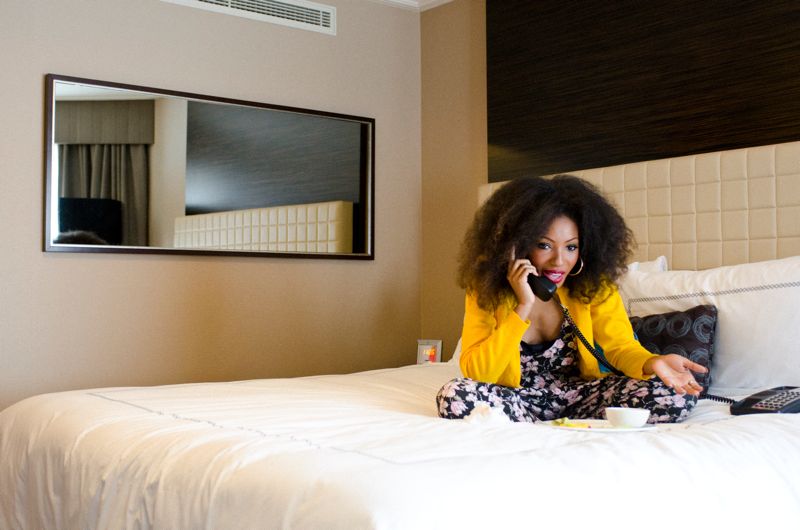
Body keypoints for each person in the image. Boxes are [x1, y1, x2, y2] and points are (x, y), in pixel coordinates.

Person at [436, 175, 705, 424]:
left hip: (581, 397)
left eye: (571, 247)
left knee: (675, 396)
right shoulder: (485, 290)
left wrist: (652, 362)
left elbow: (620, 347)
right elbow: (477, 373)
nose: (559, 261)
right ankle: (533, 424)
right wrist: (522, 306)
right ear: (517, 246)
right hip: (517, 398)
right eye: (544, 245)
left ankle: (527, 425)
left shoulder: (594, 287)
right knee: (455, 395)